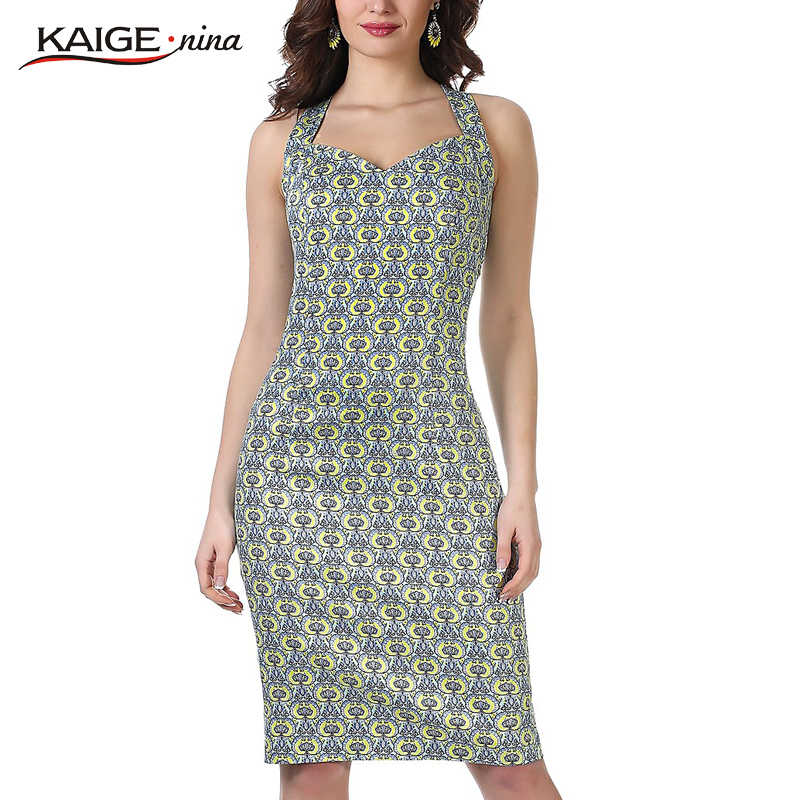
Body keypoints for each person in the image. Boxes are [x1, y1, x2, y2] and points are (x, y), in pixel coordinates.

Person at [195, 1, 562, 798]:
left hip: (440, 471)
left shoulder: (495, 127)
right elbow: (262, 328)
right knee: (316, 762)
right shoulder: (280, 142)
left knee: (510, 764)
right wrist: (220, 501)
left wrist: (522, 489)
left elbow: (507, 318)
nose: (380, 3)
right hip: (296, 485)